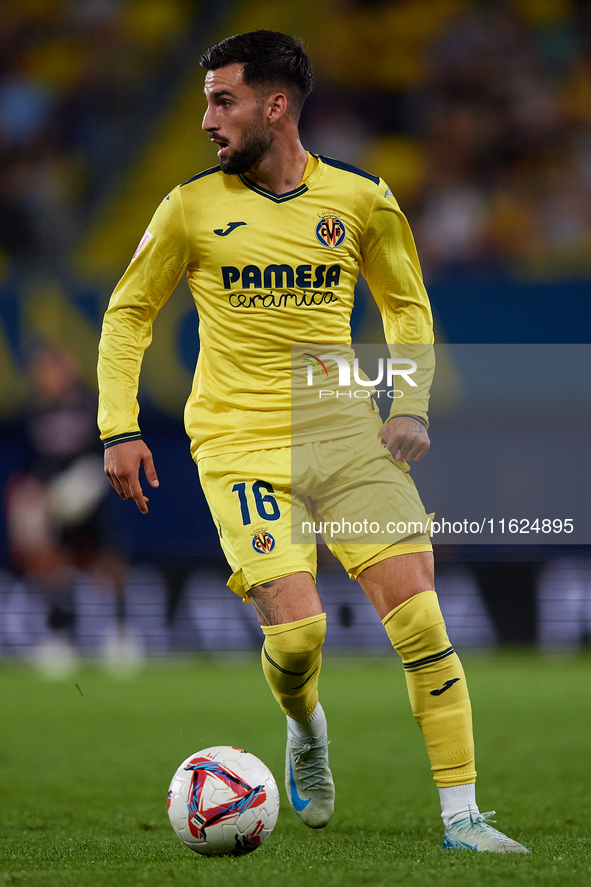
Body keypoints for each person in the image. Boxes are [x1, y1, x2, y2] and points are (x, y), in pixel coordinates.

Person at [98, 30, 529, 852]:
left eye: (222, 101)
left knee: (420, 621)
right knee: (297, 639)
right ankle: (305, 726)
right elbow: (126, 315)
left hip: (343, 432)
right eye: (202, 101)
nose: (205, 120)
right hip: (238, 440)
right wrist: (118, 425)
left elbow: (406, 307)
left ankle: (463, 816)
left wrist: (410, 404)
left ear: (274, 105)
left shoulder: (362, 200)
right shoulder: (187, 207)